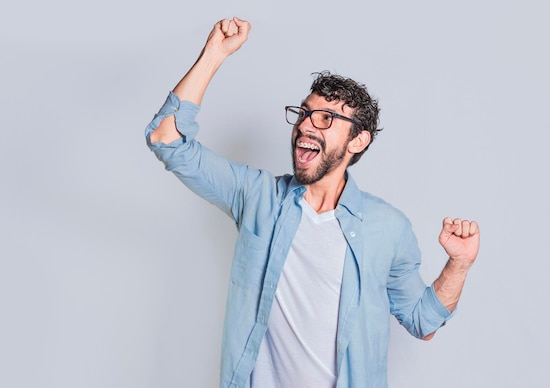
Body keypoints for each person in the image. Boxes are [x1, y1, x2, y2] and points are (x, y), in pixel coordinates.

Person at [145, 17, 480, 388]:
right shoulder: (258, 198)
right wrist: (214, 54)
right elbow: (167, 139)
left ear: (358, 141)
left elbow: (423, 323)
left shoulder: (388, 228)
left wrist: (459, 264)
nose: (306, 126)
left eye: (325, 119)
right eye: (304, 114)